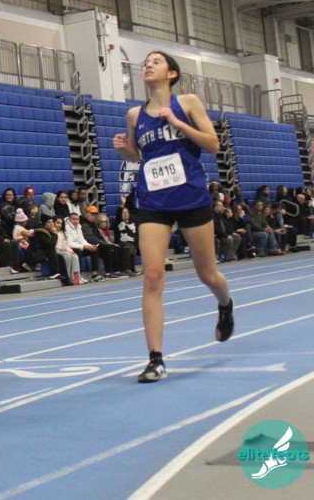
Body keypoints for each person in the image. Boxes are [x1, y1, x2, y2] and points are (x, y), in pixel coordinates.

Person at [113, 50, 233, 384]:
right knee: (152, 277)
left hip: (191, 197)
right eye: (145, 62)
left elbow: (213, 145)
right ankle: (155, 359)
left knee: (207, 274)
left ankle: (225, 304)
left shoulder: (188, 103)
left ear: (172, 74)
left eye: (156, 62)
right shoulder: (135, 114)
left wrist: (178, 124)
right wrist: (125, 150)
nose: (148, 65)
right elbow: (138, 154)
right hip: (153, 201)